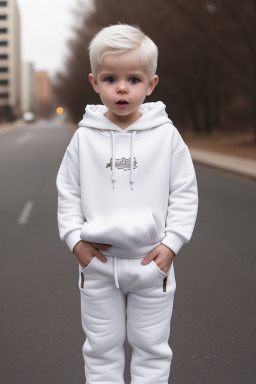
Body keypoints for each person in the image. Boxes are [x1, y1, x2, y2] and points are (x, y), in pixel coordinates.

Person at [56, 23, 198, 384]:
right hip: (98, 265)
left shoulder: (166, 136)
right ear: (94, 82)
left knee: (152, 348)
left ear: (151, 84)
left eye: (133, 79)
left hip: (152, 265)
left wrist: (172, 244)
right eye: (110, 78)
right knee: (101, 348)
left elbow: (184, 191)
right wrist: (75, 241)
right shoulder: (83, 138)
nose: (122, 88)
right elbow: (68, 192)